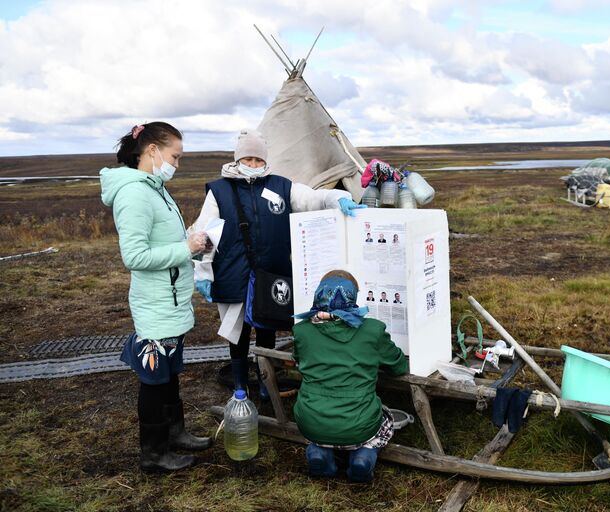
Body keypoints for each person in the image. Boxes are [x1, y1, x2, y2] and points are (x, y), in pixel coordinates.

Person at [191, 129, 366, 399]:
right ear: (237, 159)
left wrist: (337, 198)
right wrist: (203, 272)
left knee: (267, 327)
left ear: (265, 160)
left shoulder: (281, 186)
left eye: (257, 160)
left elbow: (314, 198)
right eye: (247, 159)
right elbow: (205, 233)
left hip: (271, 273)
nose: (252, 165)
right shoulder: (220, 191)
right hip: (233, 271)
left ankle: (265, 385)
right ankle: (239, 384)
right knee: (237, 333)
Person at [100, 122, 213, 473]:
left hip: (171, 300)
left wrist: (193, 245)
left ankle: (174, 433)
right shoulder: (135, 194)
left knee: (169, 372)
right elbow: (134, 256)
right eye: (174, 156)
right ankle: (153, 453)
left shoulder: (155, 188)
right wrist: (184, 247)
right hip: (155, 304)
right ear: (152, 150)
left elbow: (164, 243)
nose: (177, 164)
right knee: (154, 378)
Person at [293, 270, 408, 482]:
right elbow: (398, 366)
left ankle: (319, 453)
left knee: (322, 428)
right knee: (385, 417)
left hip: (312, 419)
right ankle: (363, 457)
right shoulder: (372, 330)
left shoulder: (301, 331)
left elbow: (298, 359)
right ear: (352, 297)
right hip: (359, 423)